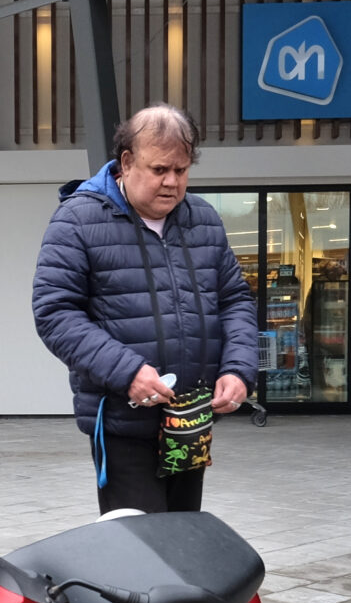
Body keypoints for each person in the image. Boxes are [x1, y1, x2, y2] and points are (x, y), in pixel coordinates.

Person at [32, 103, 256, 513]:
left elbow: (234, 300)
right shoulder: (77, 220)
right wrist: (127, 372)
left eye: (182, 170)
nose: (172, 182)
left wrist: (239, 369)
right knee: (139, 550)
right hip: (123, 423)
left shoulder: (203, 219)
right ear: (127, 163)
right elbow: (55, 312)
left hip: (190, 421)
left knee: (184, 540)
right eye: (159, 170)